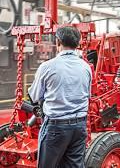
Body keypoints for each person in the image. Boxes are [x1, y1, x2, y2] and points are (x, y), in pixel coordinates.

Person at [28, 26, 92, 168]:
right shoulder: (86, 67)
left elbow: (34, 96)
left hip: (56, 128)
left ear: (57, 42)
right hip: (80, 127)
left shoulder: (47, 67)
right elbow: (88, 95)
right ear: (78, 44)